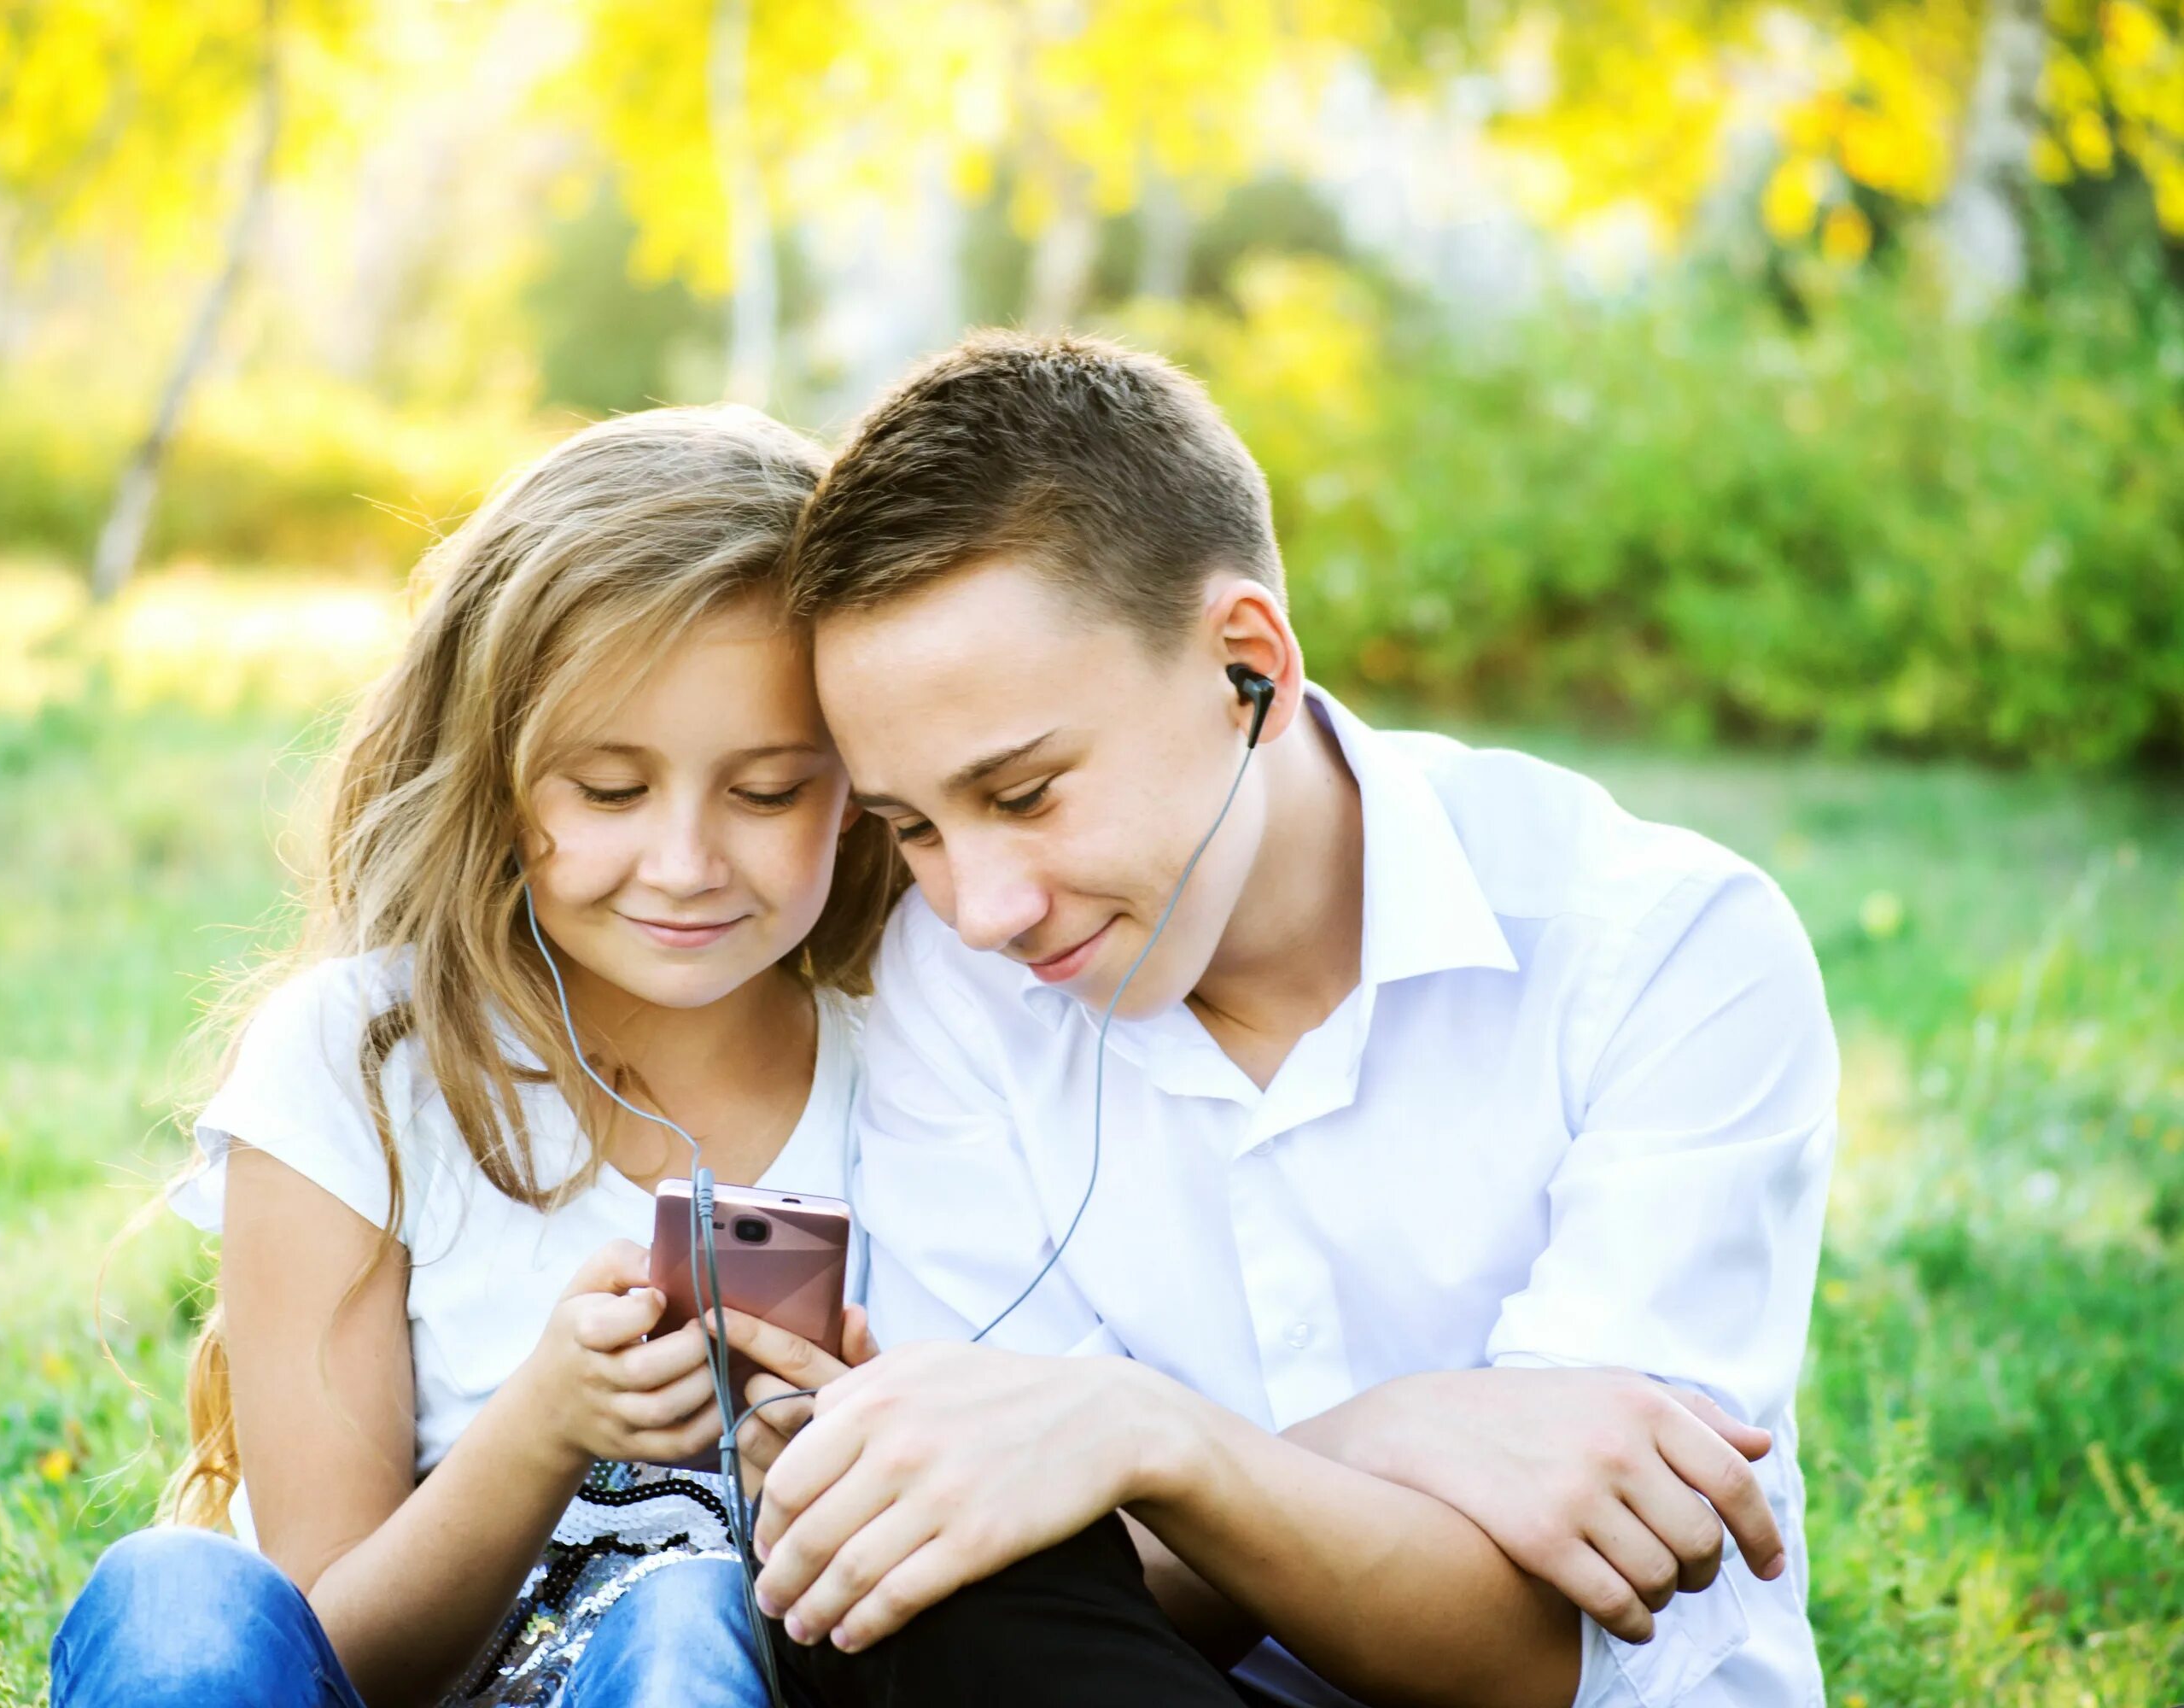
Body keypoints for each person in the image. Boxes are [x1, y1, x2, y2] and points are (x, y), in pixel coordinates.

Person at [727, 331, 1838, 1708]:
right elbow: (995, 1546)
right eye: (913, 830)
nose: (981, 909)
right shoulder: (948, 991)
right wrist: (1382, 1433)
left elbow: (1547, 1649)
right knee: (901, 1601)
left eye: (1022, 795)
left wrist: (1142, 1445)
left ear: (1248, 667)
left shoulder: (1664, 950)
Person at [49, 406, 897, 1708]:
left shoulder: (924, 1063)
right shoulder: (359, 1065)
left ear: (864, 779)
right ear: (493, 773)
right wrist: (545, 1425)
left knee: (681, 1616)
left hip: (708, 1672)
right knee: (175, 1590)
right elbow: (339, 1647)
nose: (684, 862)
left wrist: (845, 1470)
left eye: (770, 791)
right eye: (609, 792)